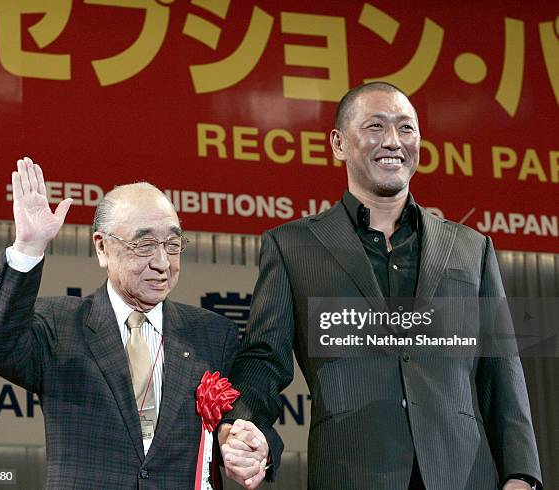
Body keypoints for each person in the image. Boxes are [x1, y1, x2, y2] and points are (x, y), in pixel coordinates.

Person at [220, 82, 542, 489]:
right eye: (375, 126)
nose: (393, 141)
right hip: (349, 472)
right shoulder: (293, 247)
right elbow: (265, 357)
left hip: (465, 474)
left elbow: (502, 372)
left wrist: (521, 475)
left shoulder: (470, 248)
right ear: (338, 143)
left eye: (406, 128)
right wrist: (243, 424)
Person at [0, 157, 275, 489]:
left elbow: (240, 413)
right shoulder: (60, 326)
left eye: (173, 245)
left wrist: (254, 444)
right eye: (144, 245)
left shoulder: (213, 334)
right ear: (103, 248)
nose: (162, 262)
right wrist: (28, 248)